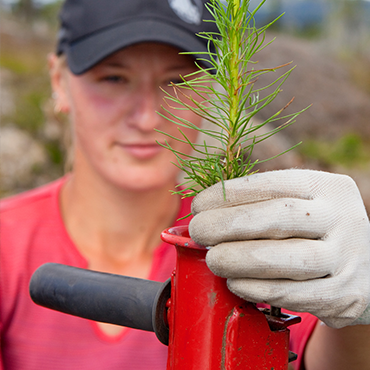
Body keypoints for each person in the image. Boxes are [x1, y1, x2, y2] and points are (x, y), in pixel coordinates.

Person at [1, 0, 369, 369]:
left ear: (213, 88)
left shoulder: (246, 243)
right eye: (113, 78)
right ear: (58, 82)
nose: (146, 117)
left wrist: (357, 314)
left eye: (176, 81)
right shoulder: (8, 246)